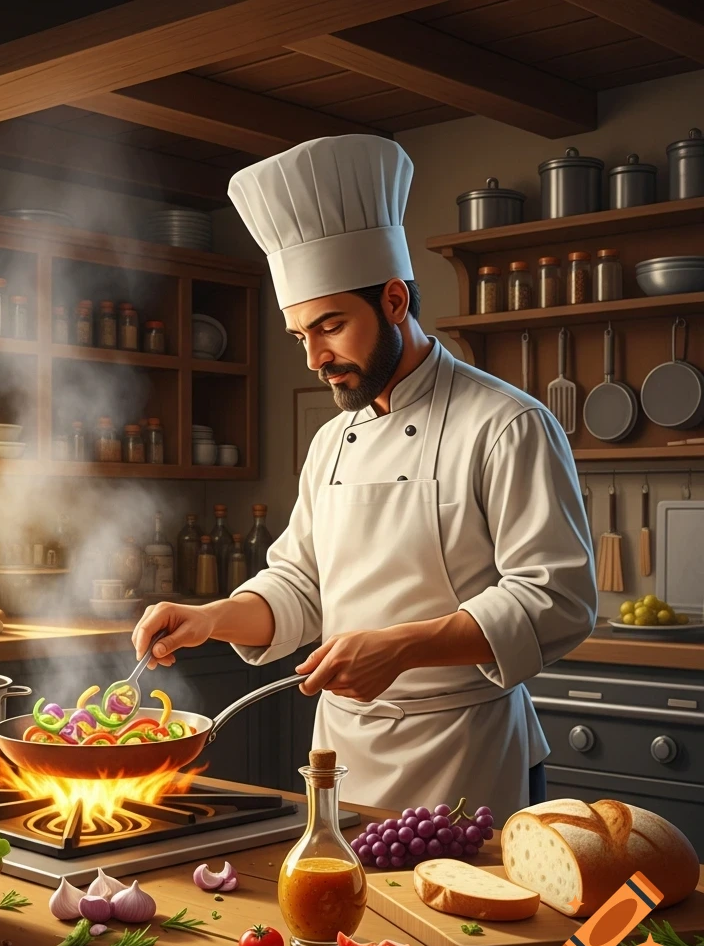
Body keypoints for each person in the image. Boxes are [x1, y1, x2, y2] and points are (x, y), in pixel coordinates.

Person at [133, 135, 597, 819]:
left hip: (465, 754)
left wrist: (402, 648)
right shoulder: (330, 443)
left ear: (392, 300)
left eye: (331, 327)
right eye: (301, 337)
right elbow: (300, 584)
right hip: (344, 757)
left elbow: (557, 598)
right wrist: (212, 618)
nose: (317, 358)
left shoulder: (506, 424)